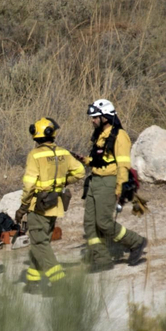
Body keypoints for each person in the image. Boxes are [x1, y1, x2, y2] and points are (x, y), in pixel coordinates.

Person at [17, 117, 86, 294]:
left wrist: (23, 207)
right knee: (41, 243)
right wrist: (62, 183)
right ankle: (32, 283)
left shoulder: (35, 155)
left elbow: (29, 185)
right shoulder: (63, 152)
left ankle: (59, 282)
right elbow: (80, 172)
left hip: (38, 206)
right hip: (55, 203)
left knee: (40, 244)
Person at [82, 98, 147, 270]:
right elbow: (101, 160)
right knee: (90, 223)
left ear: (105, 117)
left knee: (103, 222)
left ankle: (136, 242)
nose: (93, 120)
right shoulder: (99, 136)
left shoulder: (120, 136)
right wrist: (84, 160)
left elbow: (123, 165)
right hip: (95, 182)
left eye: (95, 117)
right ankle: (102, 260)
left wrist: (119, 188)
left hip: (108, 182)